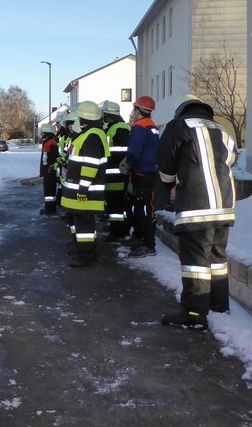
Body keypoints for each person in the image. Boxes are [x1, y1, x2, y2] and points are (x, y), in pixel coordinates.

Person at [157, 95, 237, 330]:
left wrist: (170, 181)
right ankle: (219, 305)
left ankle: (194, 312)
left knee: (196, 261)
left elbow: (165, 162)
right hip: (224, 205)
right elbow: (231, 159)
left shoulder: (179, 125)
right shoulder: (221, 129)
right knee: (217, 257)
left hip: (196, 205)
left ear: (181, 110)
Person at [60, 101, 108, 267]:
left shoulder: (92, 136)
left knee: (85, 226)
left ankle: (86, 257)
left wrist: (82, 189)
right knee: (85, 226)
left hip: (85, 193)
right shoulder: (92, 134)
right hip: (84, 191)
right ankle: (85, 252)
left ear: (84, 117)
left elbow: (90, 165)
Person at [120, 95, 159, 257]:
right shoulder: (153, 126)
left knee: (143, 208)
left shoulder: (140, 127)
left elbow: (135, 151)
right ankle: (139, 237)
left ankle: (147, 244)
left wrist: (127, 163)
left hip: (141, 173)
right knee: (142, 206)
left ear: (138, 110)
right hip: (150, 172)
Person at [101, 101, 131, 242]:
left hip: (117, 174)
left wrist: (106, 153)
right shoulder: (113, 128)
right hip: (113, 173)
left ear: (108, 115)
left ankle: (118, 231)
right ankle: (117, 227)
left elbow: (123, 150)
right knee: (114, 204)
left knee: (116, 204)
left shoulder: (121, 129)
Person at [38, 123, 59, 215]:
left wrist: (50, 168)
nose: (41, 133)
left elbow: (54, 157)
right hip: (48, 169)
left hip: (49, 170)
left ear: (46, 132)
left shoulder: (50, 142)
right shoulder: (48, 141)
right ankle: (50, 208)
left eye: (42, 132)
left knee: (49, 190)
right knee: (49, 191)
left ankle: (50, 209)